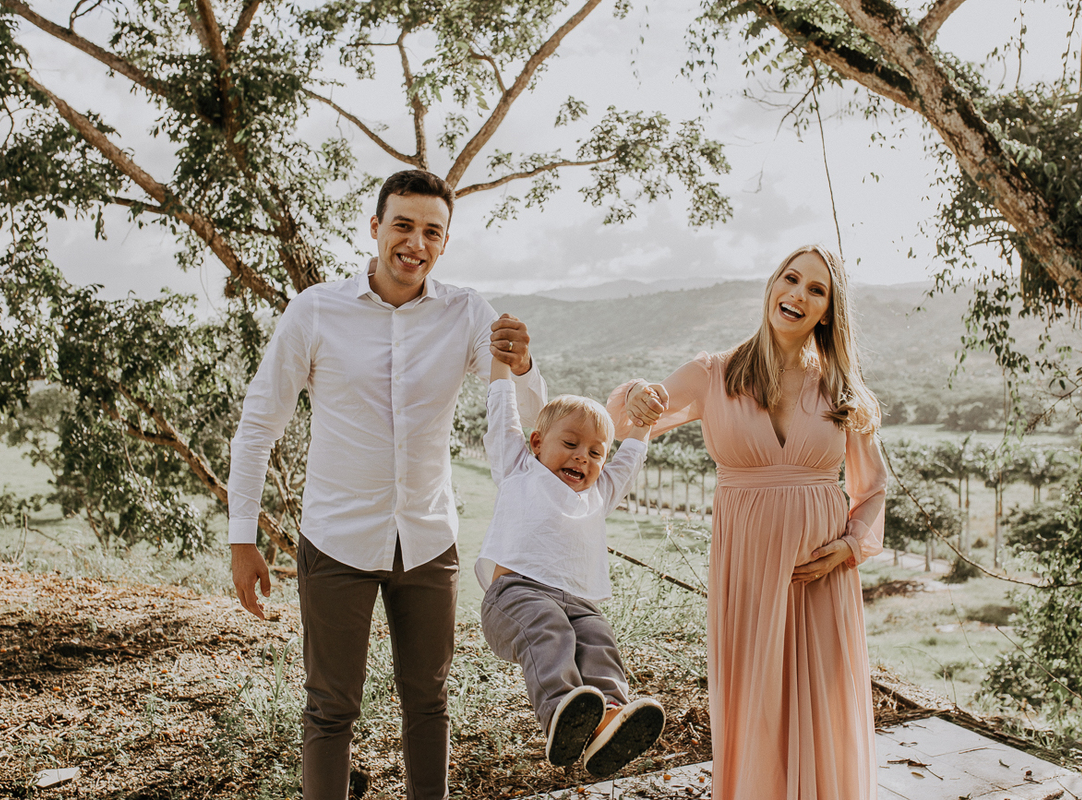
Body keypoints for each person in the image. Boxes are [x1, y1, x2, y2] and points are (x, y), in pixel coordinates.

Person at [227, 169, 547, 800]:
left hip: (428, 541)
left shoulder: (467, 314)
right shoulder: (316, 310)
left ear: (445, 243)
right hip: (336, 539)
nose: (415, 243)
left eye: (432, 231)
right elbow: (258, 425)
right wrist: (243, 539)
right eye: (402, 225)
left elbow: (530, 422)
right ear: (376, 229)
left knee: (428, 703)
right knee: (330, 707)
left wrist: (526, 365)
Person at [610, 244, 887, 800]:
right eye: (791, 279)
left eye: (816, 290)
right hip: (748, 575)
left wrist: (851, 547)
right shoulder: (713, 374)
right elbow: (625, 421)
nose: (798, 295)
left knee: (824, 709)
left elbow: (873, 487)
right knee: (757, 708)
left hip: (823, 579)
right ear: (771, 285)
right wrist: (635, 393)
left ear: (829, 311)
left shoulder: (843, 390)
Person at [475, 351, 666, 778]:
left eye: (596, 452)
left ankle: (607, 720)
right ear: (538, 443)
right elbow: (502, 417)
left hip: (577, 602)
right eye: (571, 443)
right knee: (550, 627)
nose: (584, 457)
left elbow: (630, 456)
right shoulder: (518, 468)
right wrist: (501, 366)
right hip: (515, 596)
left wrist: (645, 419)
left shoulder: (599, 495)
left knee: (598, 639)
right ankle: (561, 709)